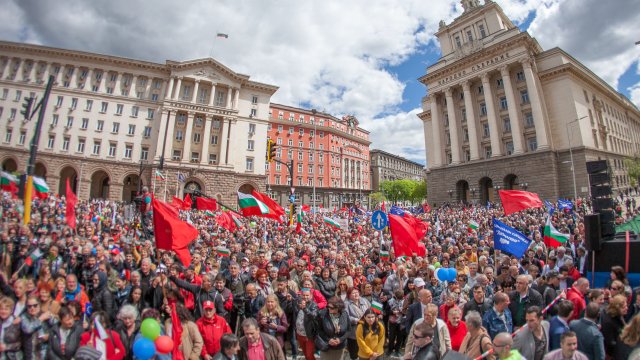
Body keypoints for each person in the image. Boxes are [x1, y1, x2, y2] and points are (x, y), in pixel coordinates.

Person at [601, 294, 629, 360]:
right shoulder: (608, 322)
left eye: (626, 306)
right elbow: (610, 342)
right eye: (624, 307)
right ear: (617, 308)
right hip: (613, 355)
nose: (627, 308)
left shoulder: (620, 315)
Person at [345, 287, 370, 360]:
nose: (356, 294)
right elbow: (346, 317)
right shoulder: (346, 304)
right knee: (354, 353)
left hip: (366, 329)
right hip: (354, 332)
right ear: (349, 295)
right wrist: (356, 320)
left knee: (366, 349)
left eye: (357, 292)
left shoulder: (364, 300)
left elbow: (371, 310)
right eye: (353, 293)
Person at [294, 288, 319, 360]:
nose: (305, 297)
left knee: (309, 355)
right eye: (304, 295)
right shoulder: (299, 303)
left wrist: (305, 308)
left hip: (308, 334)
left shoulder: (314, 305)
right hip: (299, 333)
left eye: (307, 295)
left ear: (311, 296)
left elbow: (313, 316)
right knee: (305, 354)